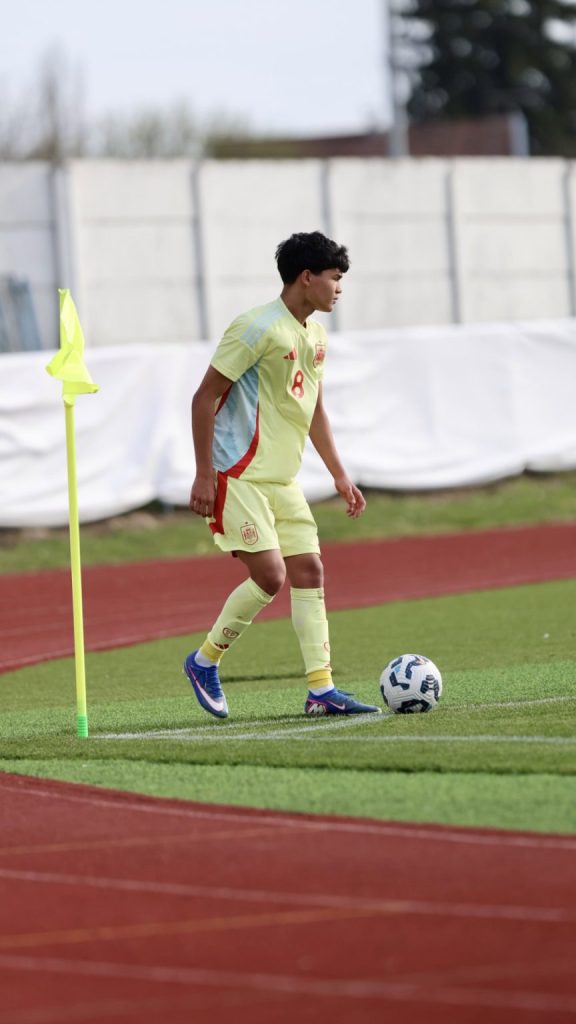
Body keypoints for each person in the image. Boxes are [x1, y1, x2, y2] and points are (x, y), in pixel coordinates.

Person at [184, 230, 381, 719]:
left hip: (282, 480)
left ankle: (321, 690)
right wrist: (204, 474)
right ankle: (204, 661)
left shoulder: (316, 336)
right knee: (271, 576)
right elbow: (204, 398)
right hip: (238, 475)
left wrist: (339, 475)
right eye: (334, 278)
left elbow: (314, 411)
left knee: (310, 570)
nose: (339, 289)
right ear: (306, 277)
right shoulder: (255, 327)